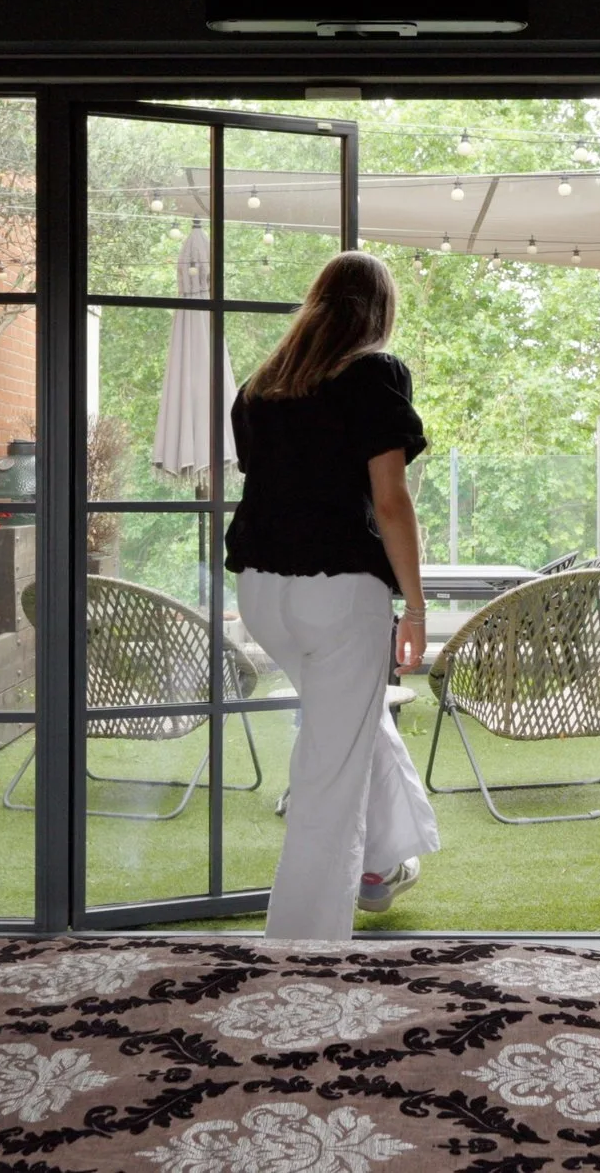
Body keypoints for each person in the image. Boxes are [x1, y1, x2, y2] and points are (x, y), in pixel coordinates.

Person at [226, 250, 440, 940]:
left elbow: (279, 487)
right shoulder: (374, 371)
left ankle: (384, 860)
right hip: (340, 594)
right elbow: (391, 501)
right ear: (379, 310)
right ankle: (302, 947)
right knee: (329, 772)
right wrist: (415, 602)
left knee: (350, 726)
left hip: (263, 593)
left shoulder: (261, 385)